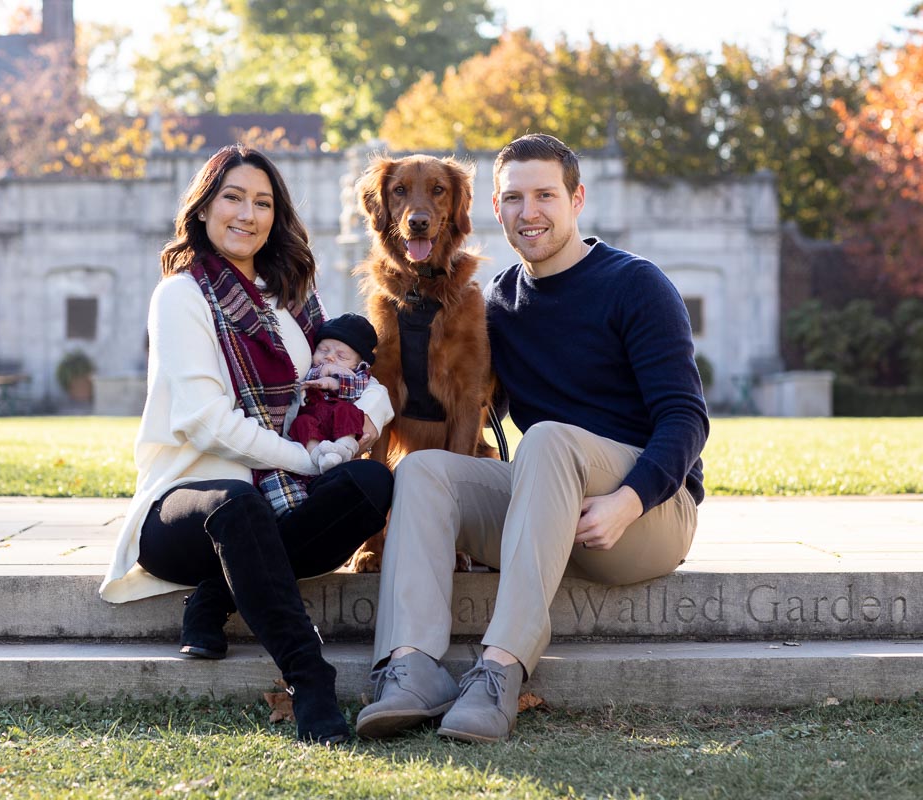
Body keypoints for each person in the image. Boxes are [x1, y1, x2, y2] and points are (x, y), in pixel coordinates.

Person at [355, 133, 709, 743]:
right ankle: (411, 667)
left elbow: (686, 419)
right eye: (515, 198)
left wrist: (628, 501)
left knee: (545, 439)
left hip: (644, 516)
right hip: (548, 512)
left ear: (576, 199)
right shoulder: (495, 303)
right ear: (494, 209)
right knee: (424, 470)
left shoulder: (636, 285)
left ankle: (499, 672)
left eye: (546, 194)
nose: (530, 212)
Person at [99, 144, 395, 745]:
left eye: (263, 202)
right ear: (204, 208)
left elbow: (349, 378)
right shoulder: (181, 295)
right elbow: (207, 422)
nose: (247, 213)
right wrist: (305, 459)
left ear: (276, 217)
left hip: (279, 502)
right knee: (238, 504)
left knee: (372, 483)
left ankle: (219, 590)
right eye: (232, 197)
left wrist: (371, 413)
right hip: (186, 508)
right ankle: (309, 679)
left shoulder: (292, 299)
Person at [288, 312, 379, 473]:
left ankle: (344, 447)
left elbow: (359, 386)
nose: (329, 357)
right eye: (323, 350)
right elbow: (303, 381)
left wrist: (336, 381)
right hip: (313, 417)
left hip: (338, 422)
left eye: (341, 356)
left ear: (358, 364)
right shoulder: (310, 368)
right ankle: (319, 456)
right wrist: (321, 373)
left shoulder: (359, 375)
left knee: (348, 411)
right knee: (301, 422)